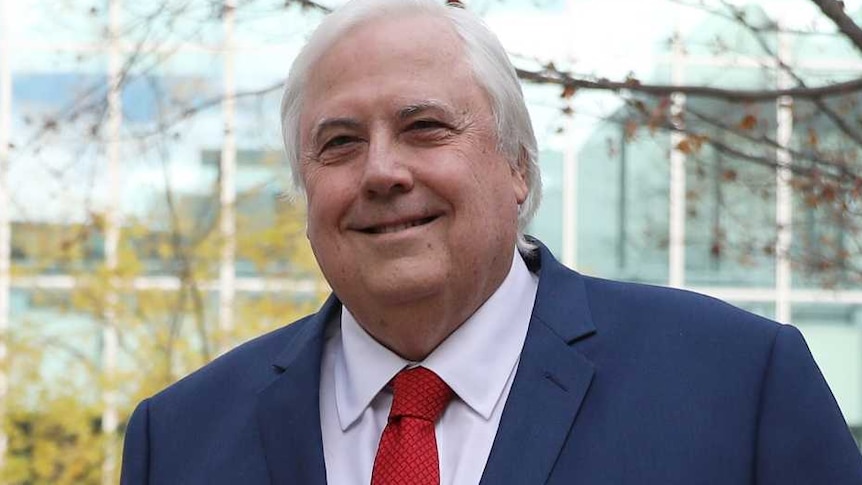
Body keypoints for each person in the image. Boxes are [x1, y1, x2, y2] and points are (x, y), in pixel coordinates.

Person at [120, 0, 862, 483]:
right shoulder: (179, 440)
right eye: (340, 143)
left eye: (425, 127)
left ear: (517, 165)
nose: (382, 170)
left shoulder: (737, 386)